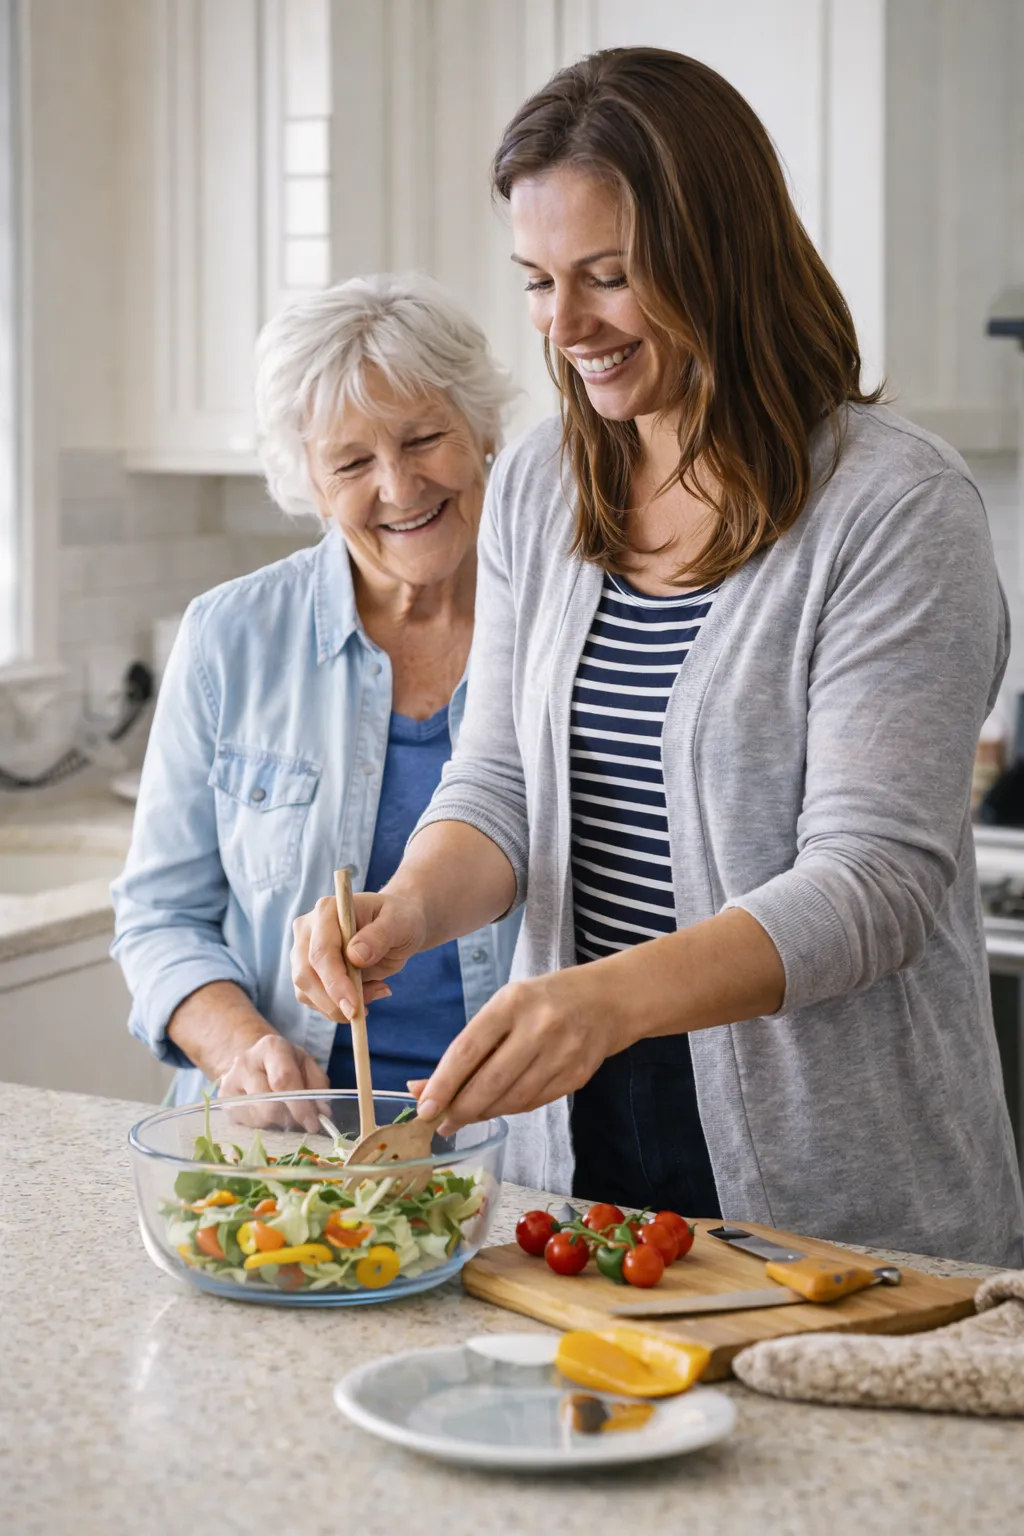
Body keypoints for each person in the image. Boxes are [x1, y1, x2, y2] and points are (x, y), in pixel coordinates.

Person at [291, 50, 1024, 1265]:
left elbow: (875, 883)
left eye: (608, 277)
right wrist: (403, 910)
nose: (563, 327)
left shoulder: (893, 507)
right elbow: (497, 787)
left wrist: (603, 1000)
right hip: (575, 1179)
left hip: (835, 1198)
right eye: (536, 282)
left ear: (718, 255)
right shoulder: (538, 481)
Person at [112, 273, 519, 1114]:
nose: (400, 488)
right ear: (308, 476)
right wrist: (242, 1047)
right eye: (352, 461)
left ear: (483, 427)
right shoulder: (230, 637)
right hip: (286, 1156)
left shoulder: (568, 624)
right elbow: (158, 917)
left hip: (524, 1149)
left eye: (423, 438)